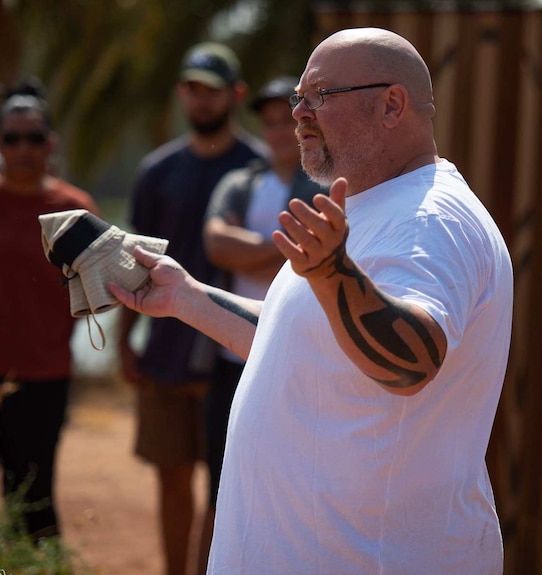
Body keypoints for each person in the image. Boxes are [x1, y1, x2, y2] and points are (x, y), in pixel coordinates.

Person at [109, 27, 513, 575]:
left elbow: (414, 358)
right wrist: (186, 297)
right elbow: (303, 340)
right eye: (299, 98)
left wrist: (331, 273)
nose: (299, 113)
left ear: (392, 105)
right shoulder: (377, 206)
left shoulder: (429, 220)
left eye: (319, 96)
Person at [117, 42, 265, 575]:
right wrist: (124, 344)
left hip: (232, 355)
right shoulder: (157, 171)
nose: (199, 101)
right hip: (164, 353)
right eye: (191, 89)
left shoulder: (258, 169)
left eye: (211, 90)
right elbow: (131, 263)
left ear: (236, 94)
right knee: (172, 478)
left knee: (225, 486)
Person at [197, 76, 324, 573]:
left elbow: (239, 250)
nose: (278, 130)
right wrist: (293, 245)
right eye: (269, 121)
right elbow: (216, 247)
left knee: (289, 491)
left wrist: (250, 250)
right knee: (217, 488)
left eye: (286, 119)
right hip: (230, 357)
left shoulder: (324, 183)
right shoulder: (240, 182)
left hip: (294, 360)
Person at [0, 79, 99, 540]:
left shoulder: (74, 211)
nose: (23, 148)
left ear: (50, 143)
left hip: (44, 377)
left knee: (35, 499)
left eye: (33, 138)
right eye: (11, 138)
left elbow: (102, 291)